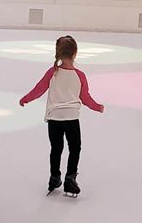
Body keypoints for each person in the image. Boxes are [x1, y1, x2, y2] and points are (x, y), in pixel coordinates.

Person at [19, 36, 104, 197]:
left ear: (58, 52)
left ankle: (54, 177)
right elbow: (85, 98)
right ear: (75, 54)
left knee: (56, 149)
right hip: (71, 118)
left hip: (54, 118)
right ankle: (70, 179)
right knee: (74, 148)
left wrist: (26, 99)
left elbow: (38, 89)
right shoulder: (80, 75)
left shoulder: (52, 72)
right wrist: (97, 107)